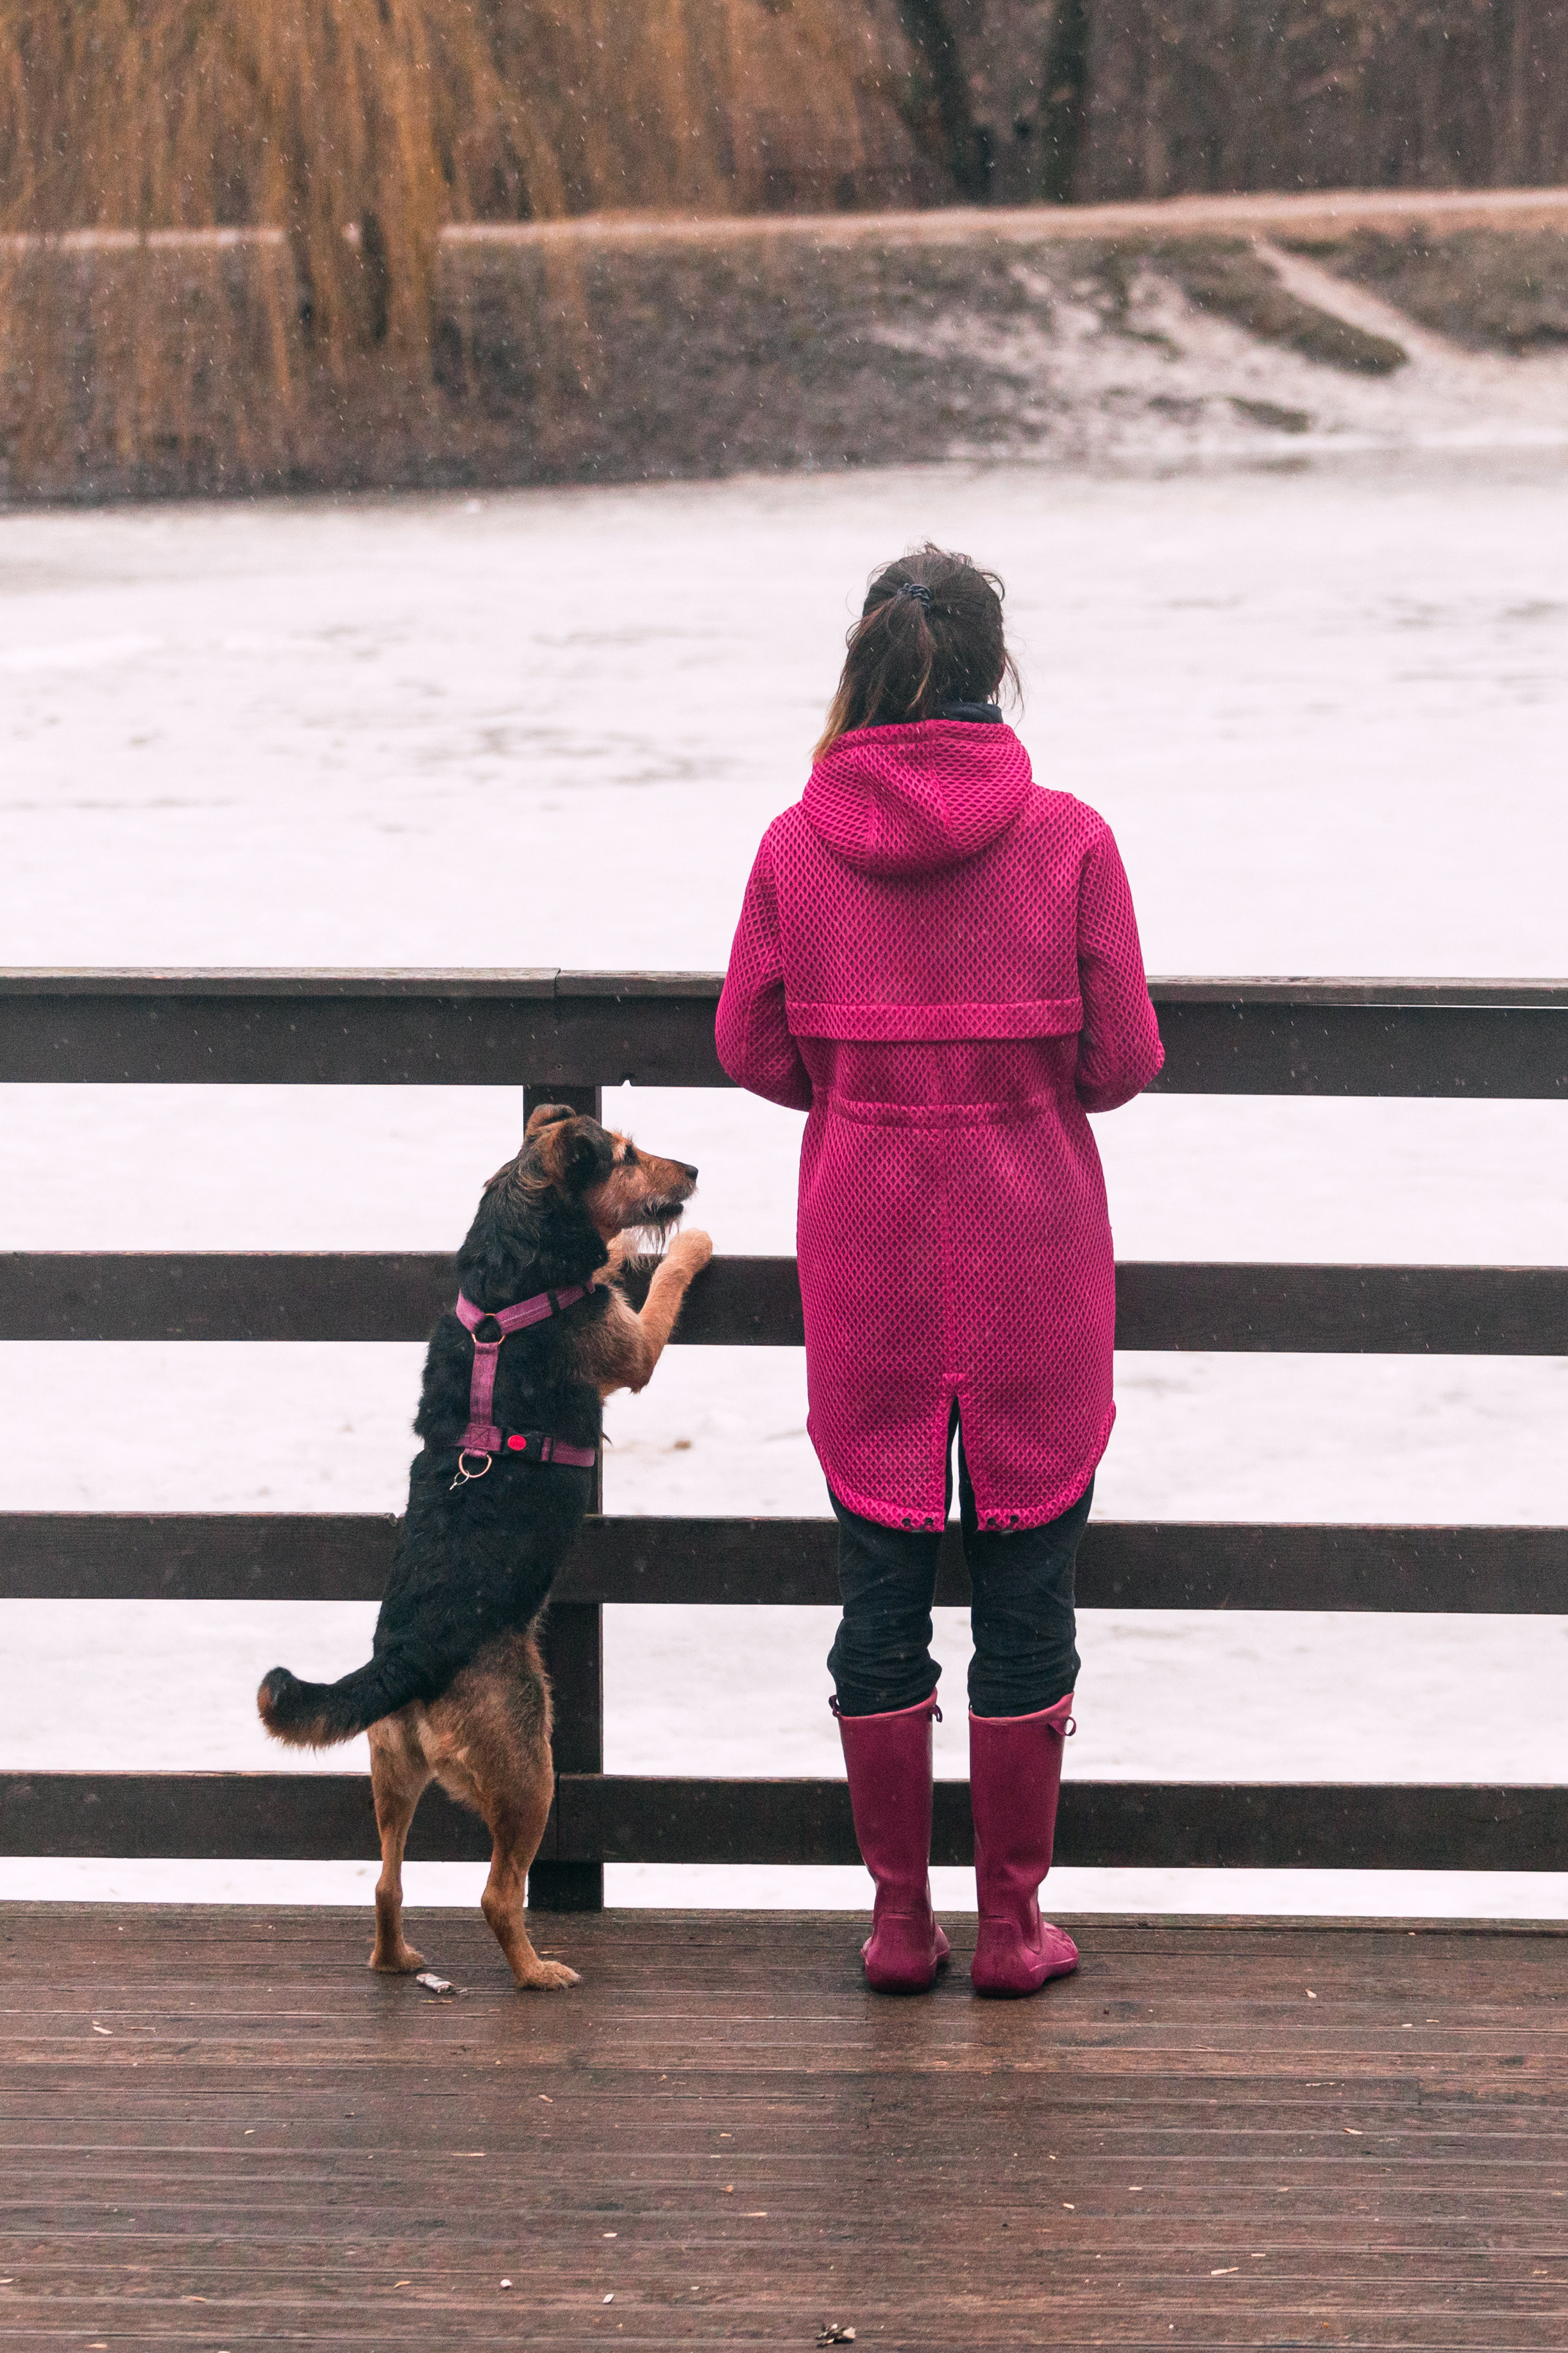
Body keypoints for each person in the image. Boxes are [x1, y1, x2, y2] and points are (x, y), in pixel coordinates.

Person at [716, 545, 1163, 1998]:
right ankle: (1012, 1928)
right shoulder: (1071, 841)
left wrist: (865, 1082)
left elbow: (750, 1047)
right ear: (994, 670)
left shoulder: (795, 843)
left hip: (868, 1254)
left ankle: (900, 1923)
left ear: (864, 666)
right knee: (1027, 1588)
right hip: (1031, 1254)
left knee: (878, 1585)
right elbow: (1121, 1062)